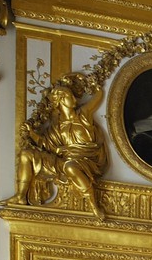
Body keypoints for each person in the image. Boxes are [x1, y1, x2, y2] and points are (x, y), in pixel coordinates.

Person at [16, 77, 107, 217]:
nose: (75, 100)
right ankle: (20, 196)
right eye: (71, 96)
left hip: (86, 160)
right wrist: (31, 133)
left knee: (70, 166)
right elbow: (46, 145)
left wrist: (96, 85)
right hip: (64, 160)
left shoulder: (83, 114)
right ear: (62, 100)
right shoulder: (56, 126)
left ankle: (93, 205)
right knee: (25, 154)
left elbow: (98, 97)